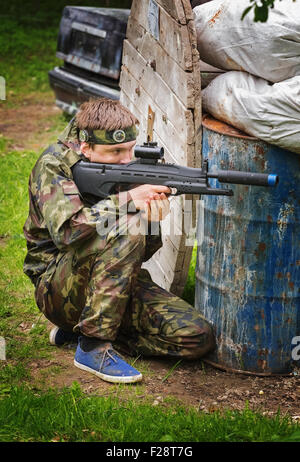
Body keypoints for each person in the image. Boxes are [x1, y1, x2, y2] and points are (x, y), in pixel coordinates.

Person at [23, 98, 215, 384]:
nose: (127, 159)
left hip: (111, 287)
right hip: (56, 288)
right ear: (85, 147)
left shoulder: (122, 166)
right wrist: (127, 201)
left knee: (197, 337)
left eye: (130, 149)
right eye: (115, 151)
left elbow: (138, 253)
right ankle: (92, 346)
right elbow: (68, 232)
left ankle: (81, 330)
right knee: (128, 224)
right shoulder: (53, 165)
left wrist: (151, 221)